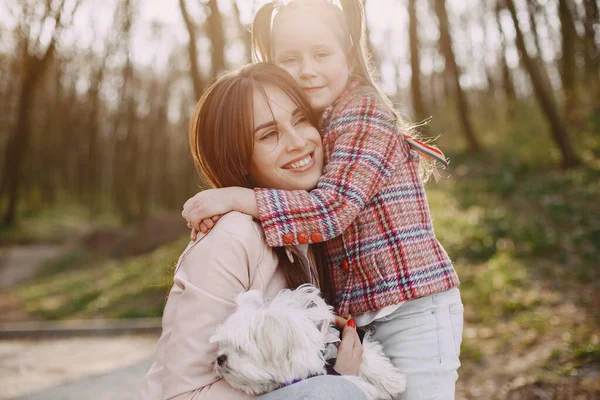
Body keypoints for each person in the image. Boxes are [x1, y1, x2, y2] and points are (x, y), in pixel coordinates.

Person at [181, 1, 464, 399]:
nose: (308, 69)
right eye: (291, 59)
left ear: (349, 54)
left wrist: (238, 198)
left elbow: (331, 210)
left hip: (413, 305)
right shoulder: (319, 122)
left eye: (322, 54)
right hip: (367, 315)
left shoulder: (362, 114)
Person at [136, 63, 366, 400]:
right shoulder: (232, 239)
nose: (298, 142)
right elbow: (185, 393)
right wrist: (331, 380)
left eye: (300, 119)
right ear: (239, 157)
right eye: (269, 134)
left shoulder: (314, 230)